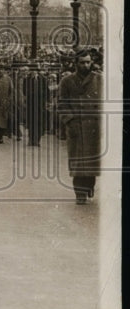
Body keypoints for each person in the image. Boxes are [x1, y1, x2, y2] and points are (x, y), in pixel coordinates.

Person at [58, 48, 103, 204]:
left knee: (92, 163)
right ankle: (80, 193)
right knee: (78, 163)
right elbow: (62, 104)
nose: (86, 65)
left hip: (95, 127)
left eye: (88, 62)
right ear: (76, 63)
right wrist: (70, 121)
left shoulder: (99, 79)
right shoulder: (67, 81)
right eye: (82, 62)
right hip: (76, 127)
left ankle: (89, 186)